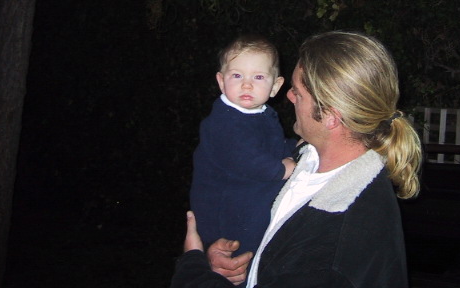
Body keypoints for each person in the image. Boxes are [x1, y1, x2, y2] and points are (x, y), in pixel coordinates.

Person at [173, 31, 422, 288]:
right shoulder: (304, 158)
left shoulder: (334, 248)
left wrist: (193, 265)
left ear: (330, 117)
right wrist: (222, 259)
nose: (289, 96)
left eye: (298, 93)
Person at [190, 34, 297, 259]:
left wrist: (294, 145)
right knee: (246, 257)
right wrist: (280, 170)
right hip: (226, 216)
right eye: (237, 75)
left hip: (247, 203)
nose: (246, 84)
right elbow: (245, 157)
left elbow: (270, 145)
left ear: (275, 86)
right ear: (221, 82)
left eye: (258, 77)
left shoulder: (261, 114)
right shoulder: (223, 122)